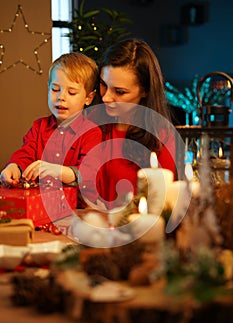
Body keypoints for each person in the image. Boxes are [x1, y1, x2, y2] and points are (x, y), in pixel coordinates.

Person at [0, 52, 102, 206]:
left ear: (88, 98)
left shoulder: (91, 133)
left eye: (72, 92)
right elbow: (25, 154)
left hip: (79, 210)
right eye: (55, 89)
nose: (61, 97)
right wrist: (14, 167)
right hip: (42, 206)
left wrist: (59, 171)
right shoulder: (38, 127)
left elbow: (89, 173)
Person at [92, 38, 176, 209]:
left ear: (145, 91)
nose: (106, 97)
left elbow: (163, 206)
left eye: (120, 92)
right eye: (103, 84)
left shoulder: (160, 138)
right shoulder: (91, 122)